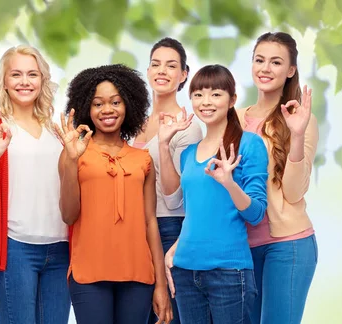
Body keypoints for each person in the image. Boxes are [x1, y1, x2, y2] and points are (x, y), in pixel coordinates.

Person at [0, 45, 71, 324]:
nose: (24, 81)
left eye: (32, 74)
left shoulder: (58, 129)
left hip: (62, 249)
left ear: (43, 80)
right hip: (16, 249)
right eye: (16, 74)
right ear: (4, 82)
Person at [55, 64, 172, 324]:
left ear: (129, 105)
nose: (107, 110)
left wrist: (161, 285)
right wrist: (72, 161)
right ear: (87, 108)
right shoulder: (75, 153)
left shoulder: (143, 159)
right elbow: (68, 214)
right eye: (98, 104)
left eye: (115, 102)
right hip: (89, 274)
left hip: (138, 276)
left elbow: (150, 221)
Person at [161, 64, 268, 324]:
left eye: (215, 94)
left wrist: (229, 183)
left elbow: (256, 214)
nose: (205, 102)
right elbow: (178, 203)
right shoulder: (188, 153)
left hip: (229, 273)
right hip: (185, 271)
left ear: (232, 100)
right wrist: (164, 145)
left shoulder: (249, 144)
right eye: (198, 94)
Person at [238, 31, 318, 324]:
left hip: (287, 245)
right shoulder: (234, 118)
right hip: (241, 247)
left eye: (275, 62)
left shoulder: (301, 120)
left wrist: (296, 135)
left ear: (291, 70)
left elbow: (294, 192)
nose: (265, 68)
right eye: (259, 60)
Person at [135, 37, 203, 324]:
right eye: (156, 64)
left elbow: (176, 196)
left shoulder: (187, 128)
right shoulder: (134, 123)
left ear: (183, 75)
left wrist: (164, 145)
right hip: (136, 229)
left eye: (171, 65)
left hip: (169, 227)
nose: (162, 71)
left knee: (168, 315)